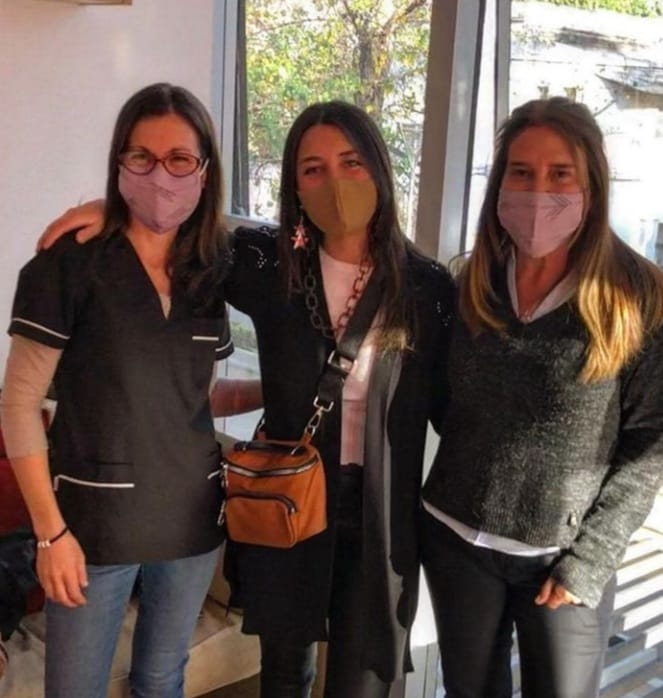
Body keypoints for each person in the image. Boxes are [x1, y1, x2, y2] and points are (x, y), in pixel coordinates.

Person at [37, 100, 455, 698]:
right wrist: (113, 210)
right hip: (290, 500)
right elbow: (176, 229)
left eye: (351, 162)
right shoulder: (269, 263)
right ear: (294, 185)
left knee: (365, 679)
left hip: (381, 517)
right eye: (312, 168)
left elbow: (452, 408)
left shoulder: (427, 288)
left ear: (379, 169)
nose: (334, 182)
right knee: (283, 675)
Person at [0, 82, 259, 698]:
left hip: (192, 523)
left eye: (179, 159)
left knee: (163, 681)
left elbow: (198, 398)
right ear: (120, 162)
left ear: (204, 172)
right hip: (93, 527)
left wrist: (280, 390)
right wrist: (50, 534)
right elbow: (18, 404)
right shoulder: (68, 264)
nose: (160, 176)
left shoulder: (208, 272)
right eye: (142, 157)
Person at [420, 96, 663, 698]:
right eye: (522, 173)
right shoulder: (472, 283)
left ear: (591, 186)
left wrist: (591, 559)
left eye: (560, 175)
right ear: (500, 185)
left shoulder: (635, 297)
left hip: (562, 559)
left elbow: (647, 446)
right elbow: (445, 403)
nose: (538, 192)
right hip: (457, 539)